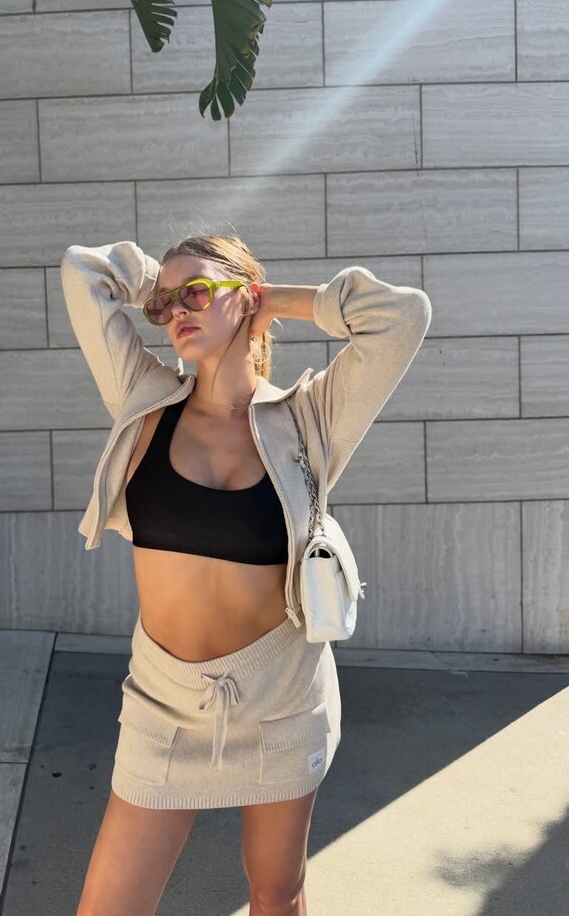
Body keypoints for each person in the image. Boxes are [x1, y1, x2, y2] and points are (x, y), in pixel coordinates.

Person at [61, 234, 432, 916]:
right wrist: (168, 285)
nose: (177, 311)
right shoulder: (144, 397)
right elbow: (84, 270)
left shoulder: (308, 418)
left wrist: (276, 301)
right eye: (166, 303)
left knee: (276, 894)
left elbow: (402, 316)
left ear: (247, 297)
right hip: (164, 702)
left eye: (197, 292)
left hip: (281, 696)